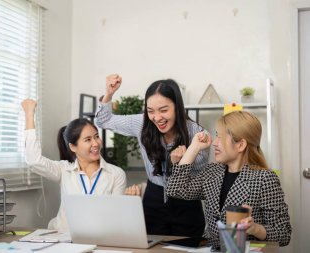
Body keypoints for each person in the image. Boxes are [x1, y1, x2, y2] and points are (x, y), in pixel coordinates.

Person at [95, 74, 209, 237]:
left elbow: (197, 175)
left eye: (163, 110)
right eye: (150, 111)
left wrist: (180, 161)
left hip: (186, 203)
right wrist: (109, 93)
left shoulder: (198, 135)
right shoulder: (142, 123)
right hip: (153, 198)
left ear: (177, 106)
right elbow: (103, 121)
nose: (157, 117)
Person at [166, 111, 292, 249]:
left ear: (240, 145)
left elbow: (284, 234)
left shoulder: (264, 179)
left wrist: (255, 228)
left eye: (220, 137)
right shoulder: (212, 172)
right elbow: (175, 190)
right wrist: (194, 148)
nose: (214, 143)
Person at [22, 99, 127, 232]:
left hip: (100, 238)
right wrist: (29, 115)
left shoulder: (116, 174)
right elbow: (33, 160)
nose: (95, 143)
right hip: (63, 238)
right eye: (88, 140)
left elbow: (116, 216)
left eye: (96, 137)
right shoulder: (64, 170)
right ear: (73, 147)